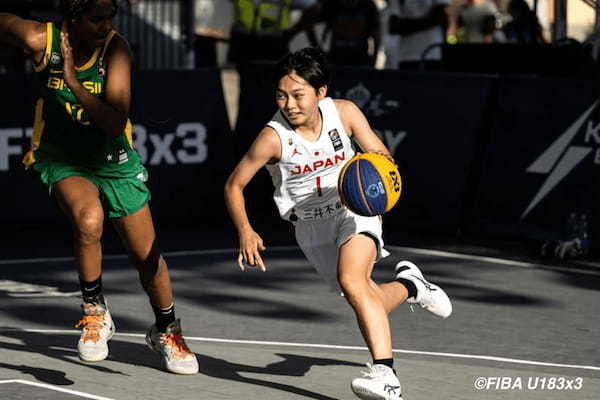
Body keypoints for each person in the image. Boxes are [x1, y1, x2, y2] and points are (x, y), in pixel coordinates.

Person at [224, 47, 452, 400]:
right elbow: (234, 185)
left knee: (352, 279)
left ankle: (385, 375)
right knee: (362, 294)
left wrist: (375, 175)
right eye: (281, 95)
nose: (290, 104)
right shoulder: (273, 137)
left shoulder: (343, 113)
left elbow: (381, 155)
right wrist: (245, 229)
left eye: (298, 94)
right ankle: (411, 286)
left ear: (321, 92)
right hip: (310, 227)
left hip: (353, 208)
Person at [0, 0, 198, 374]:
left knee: (148, 259)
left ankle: (166, 329)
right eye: (96, 18)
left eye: (110, 17)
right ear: (72, 18)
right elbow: (7, 24)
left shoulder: (116, 50)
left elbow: (113, 120)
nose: (105, 25)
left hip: (113, 159)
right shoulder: (40, 39)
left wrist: (73, 82)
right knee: (88, 220)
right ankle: (95, 312)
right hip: (61, 157)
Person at [387, 0, 449, 70]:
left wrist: (407, 25)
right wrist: (428, 20)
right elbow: (394, 26)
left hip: (431, 54)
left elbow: (439, 16)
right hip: (406, 56)